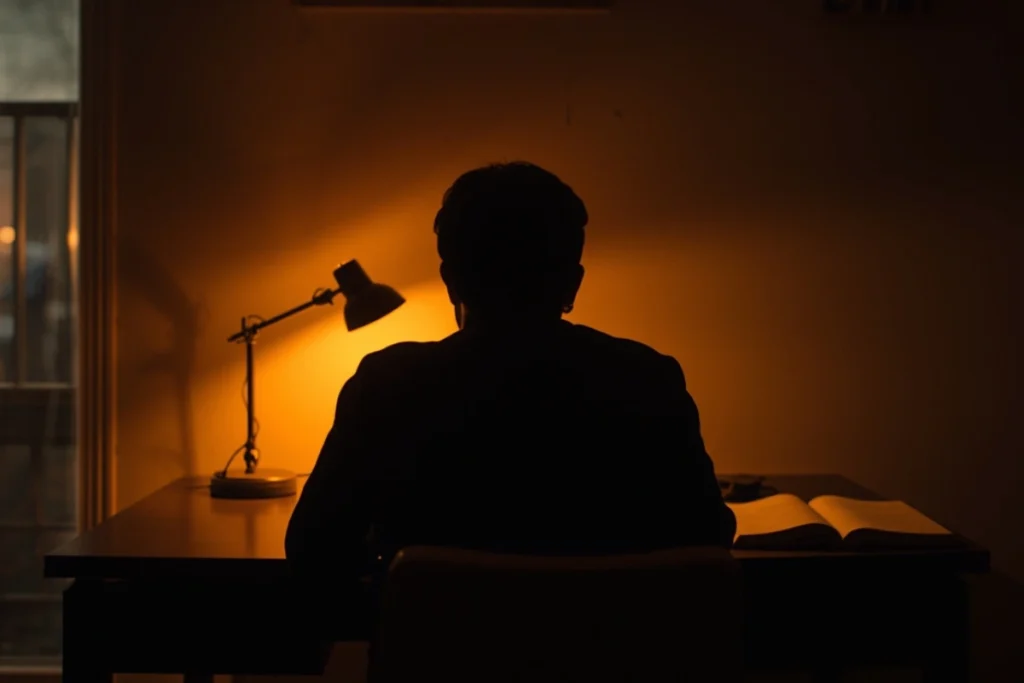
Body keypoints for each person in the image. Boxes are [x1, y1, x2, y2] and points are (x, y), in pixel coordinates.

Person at [285, 162, 735, 585]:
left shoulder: (386, 384)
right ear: (572, 283)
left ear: (450, 280)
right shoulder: (645, 379)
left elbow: (312, 547)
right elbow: (707, 535)